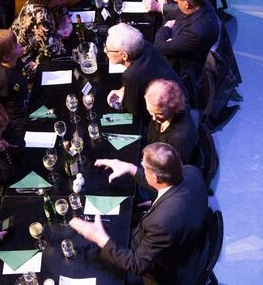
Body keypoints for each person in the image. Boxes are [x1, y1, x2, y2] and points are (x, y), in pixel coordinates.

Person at [70, 142, 209, 285]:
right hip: (185, 241)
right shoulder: (191, 171)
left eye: (144, 166)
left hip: (167, 274)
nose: (141, 165)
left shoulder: (162, 223)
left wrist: (99, 238)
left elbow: (138, 266)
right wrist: (130, 168)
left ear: (155, 178)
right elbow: (169, 189)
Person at [153, 0, 219, 99]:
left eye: (176, 0)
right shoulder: (201, 4)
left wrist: (166, 28)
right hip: (181, 47)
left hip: (181, 74)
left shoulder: (196, 32)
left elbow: (159, 47)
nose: (175, 2)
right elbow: (173, 16)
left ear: (187, 4)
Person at [105, 23, 183, 116]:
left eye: (108, 49)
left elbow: (134, 110)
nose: (105, 51)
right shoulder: (145, 45)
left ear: (124, 55)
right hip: (178, 95)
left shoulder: (131, 75)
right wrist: (123, 90)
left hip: (171, 112)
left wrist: (121, 102)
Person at [11, 0, 72, 74]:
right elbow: (53, 50)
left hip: (41, 44)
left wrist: (66, 21)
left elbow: (62, 9)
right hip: (26, 57)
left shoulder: (44, 1)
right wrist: (60, 33)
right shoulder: (40, 17)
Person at [144, 80, 200, 168]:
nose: (154, 118)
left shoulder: (179, 139)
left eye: (159, 114)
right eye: (150, 112)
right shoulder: (161, 113)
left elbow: (174, 172)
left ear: (173, 106)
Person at [0, 29, 28, 133]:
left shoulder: (16, 60)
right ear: (6, 57)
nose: (20, 44)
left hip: (27, 103)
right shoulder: (3, 79)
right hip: (20, 121)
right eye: (16, 46)